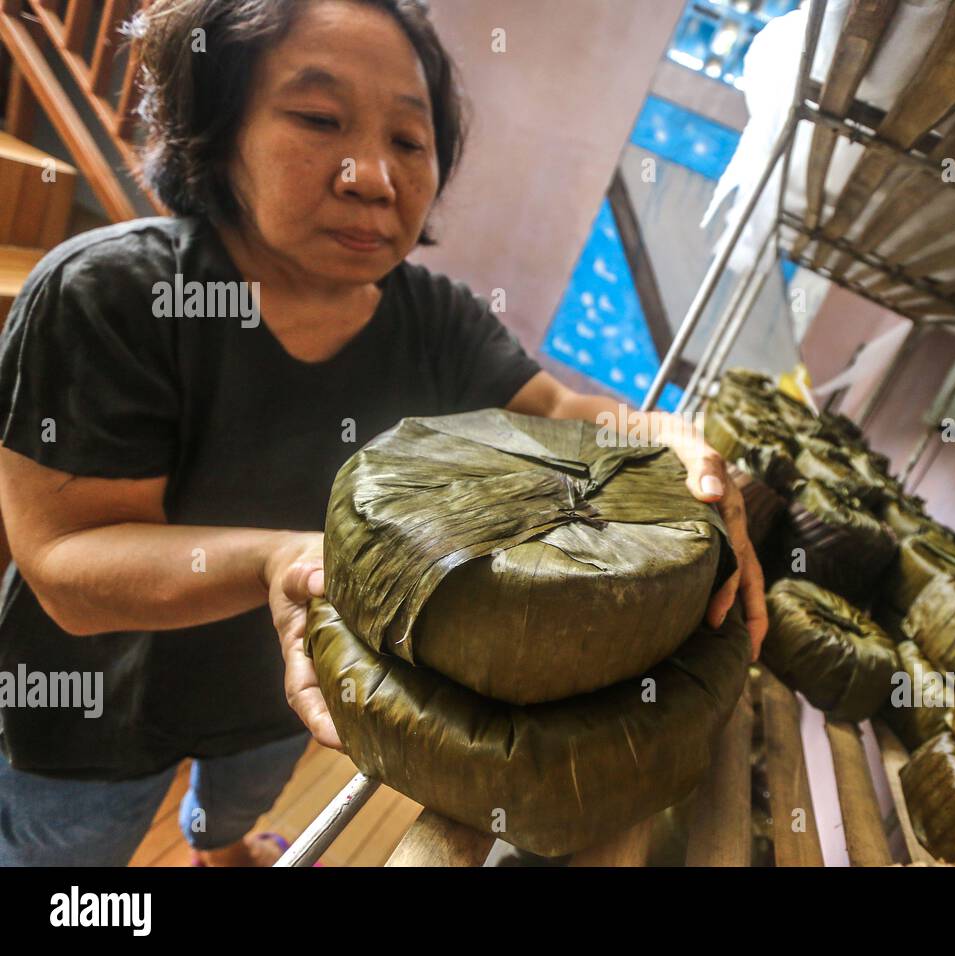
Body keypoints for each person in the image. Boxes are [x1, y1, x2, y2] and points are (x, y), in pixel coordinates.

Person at [0, 0, 766, 867]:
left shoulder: (435, 318)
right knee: (67, 870)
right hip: (93, 711)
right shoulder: (107, 296)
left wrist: (665, 437)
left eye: (410, 140)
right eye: (320, 119)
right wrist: (270, 564)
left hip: (285, 689)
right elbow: (66, 566)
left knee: (233, 807)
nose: (374, 175)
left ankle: (218, 849)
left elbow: (553, 410)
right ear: (217, 133)